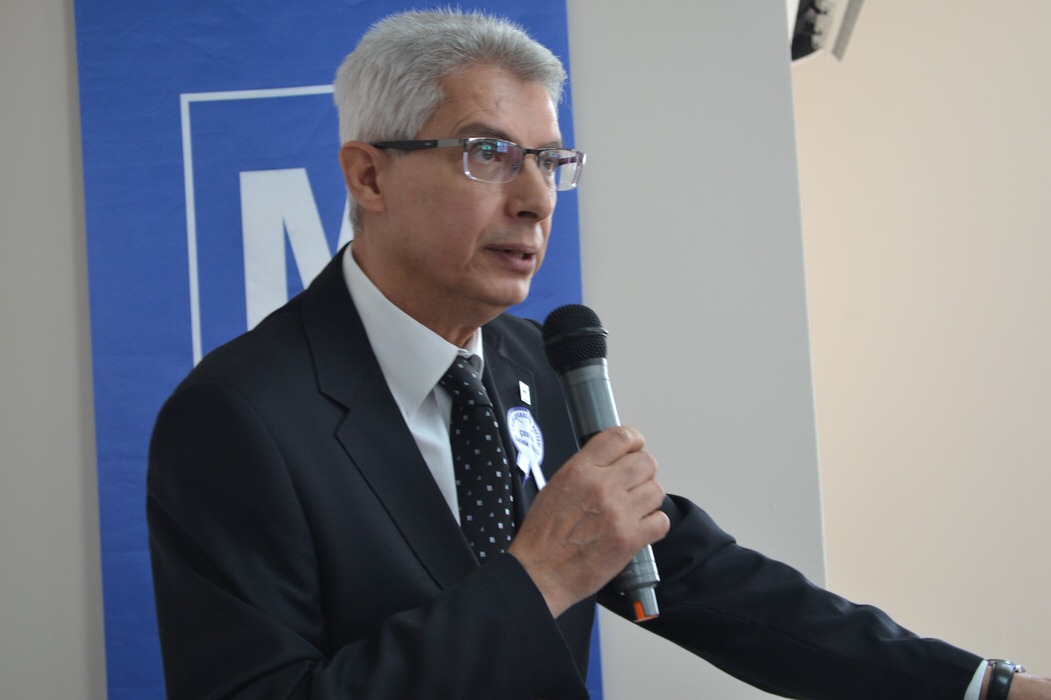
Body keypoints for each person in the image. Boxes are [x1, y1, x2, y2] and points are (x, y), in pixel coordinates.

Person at [147, 9, 1049, 699]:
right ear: (369, 175)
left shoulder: (535, 363)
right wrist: (536, 579)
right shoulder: (237, 418)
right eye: (490, 154)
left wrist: (984, 688)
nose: (536, 198)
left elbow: (701, 579)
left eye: (550, 161)